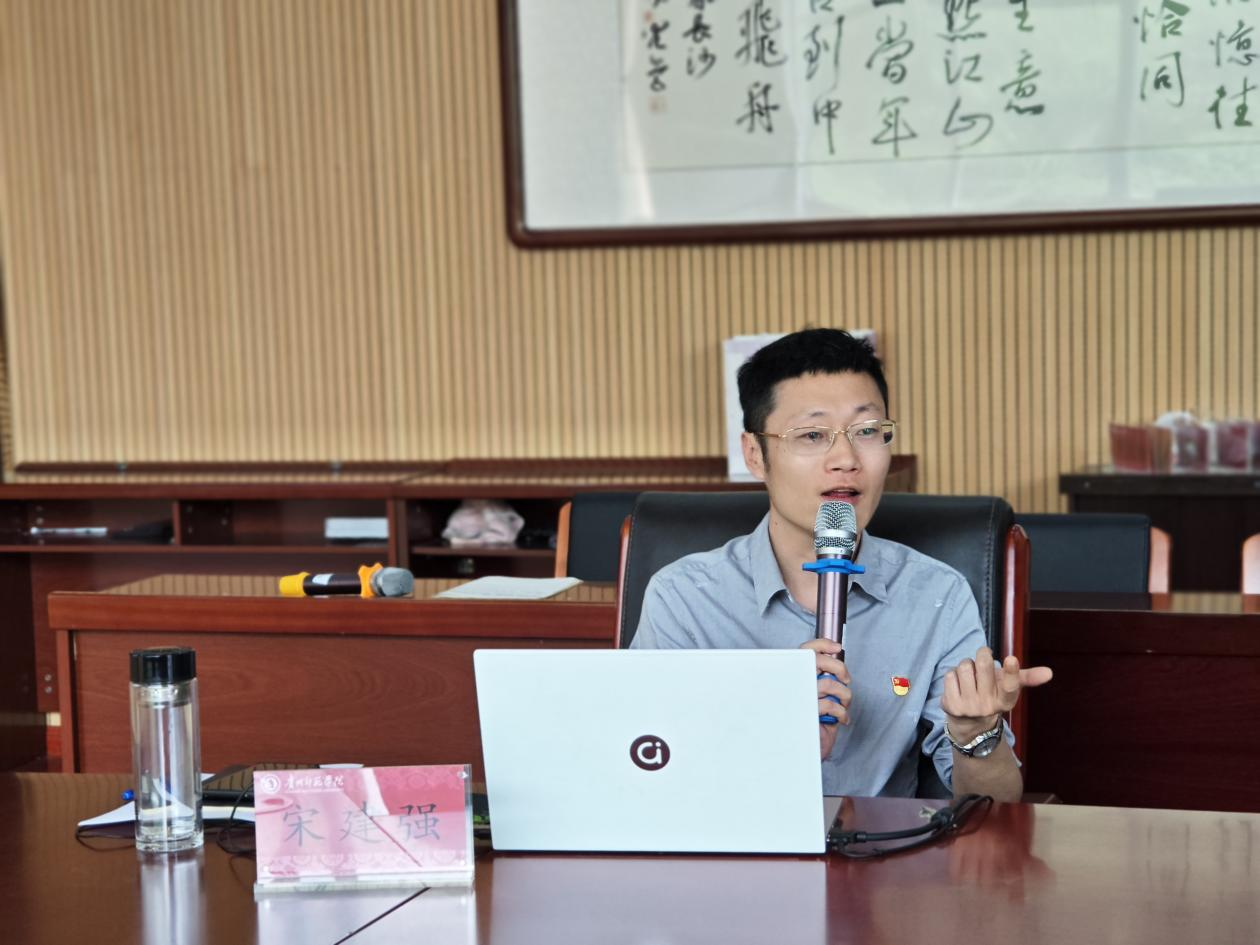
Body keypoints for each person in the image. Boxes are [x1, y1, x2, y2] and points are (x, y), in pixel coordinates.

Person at [630, 328, 1051, 801]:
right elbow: (642, 774)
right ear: (755, 454)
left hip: (885, 848)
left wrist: (976, 733)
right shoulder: (685, 598)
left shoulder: (937, 595)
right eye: (812, 435)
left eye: (867, 431)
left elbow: (998, 805)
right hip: (730, 844)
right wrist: (764, 733)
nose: (846, 459)